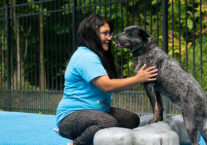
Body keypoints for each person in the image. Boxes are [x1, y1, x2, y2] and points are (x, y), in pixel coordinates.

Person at [56, 14, 158, 145]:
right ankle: (76, 143)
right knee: (107, 122)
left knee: (132, 120)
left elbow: (113, 86)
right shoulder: (85, 56)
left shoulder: (97, 56)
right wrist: (139, 78)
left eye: (110, 33)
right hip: (70, 118)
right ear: (91, 35)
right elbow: (107, 86)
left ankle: (93, 134)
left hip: (97, 112)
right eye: (105, 33)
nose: (110, 38)